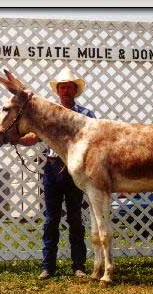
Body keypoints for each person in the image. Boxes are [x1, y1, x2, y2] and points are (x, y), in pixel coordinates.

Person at [18, 67, 96, 279]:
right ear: (58, 90)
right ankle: (47, 267)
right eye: (62, 87)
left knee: (75, 218)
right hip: (52, 168)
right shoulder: (48, 114)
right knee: (51, 219)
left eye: (69, 87)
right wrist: (15, 138)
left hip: (75, 170)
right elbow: (33, 137)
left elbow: (92, 139)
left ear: (75, 90)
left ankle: (78, 266)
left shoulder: (87, 115)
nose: (66, 90)